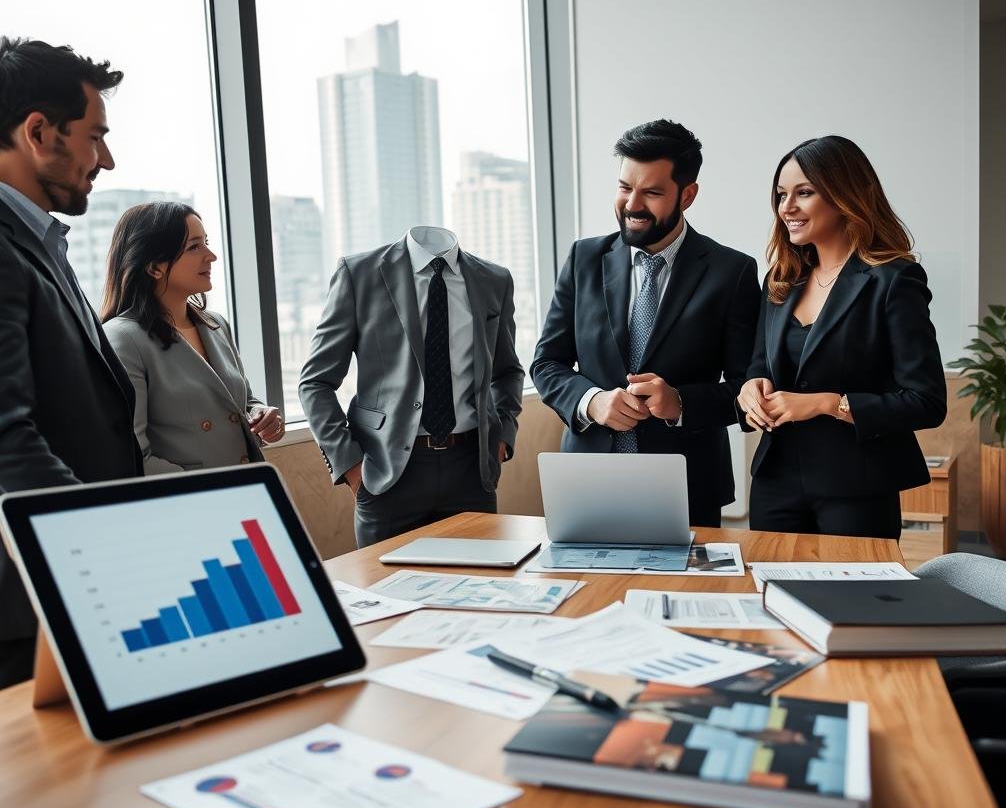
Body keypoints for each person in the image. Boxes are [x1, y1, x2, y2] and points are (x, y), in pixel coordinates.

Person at [531, 118, 761, 528]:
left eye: (652, 192)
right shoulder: (584, 259)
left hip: (689, 485)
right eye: (624, 188)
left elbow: (749, 389)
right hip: (587, 481)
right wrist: (592, 401)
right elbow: (547, 364)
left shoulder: (733, 272)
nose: (632, 204)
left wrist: (680, 404)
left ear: (687, 195)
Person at [0, 37, 143, 687]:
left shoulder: (38, 241)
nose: (105, 159)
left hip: (48, 593)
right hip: (24, 601)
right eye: (94, 136)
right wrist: (103, 561)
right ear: (38, 132)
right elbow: (7, 437)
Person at [737, 135, 946, 539]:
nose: (787, 208)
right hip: (774, 484)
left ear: (844, 195)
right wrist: (750, 390)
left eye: (804, 193)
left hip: (857, 488)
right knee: (771, 598)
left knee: (852, 603)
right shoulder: (780, 282)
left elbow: (927, 401)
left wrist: (827, 404)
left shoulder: (895, 279)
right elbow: (761, 367)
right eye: (781, 195)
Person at [299, 225, 524, 548]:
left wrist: (502, 437)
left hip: (471, 471)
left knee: (478, 591)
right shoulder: (359, 274)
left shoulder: (494, 280)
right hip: (387, 473)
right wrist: (350, 466)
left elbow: (508, 371)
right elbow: (315, 382)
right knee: (384, 592)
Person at [102, 202, 285, 473]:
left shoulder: (216, 325)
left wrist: (261, 417)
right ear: (154, 267)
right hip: (187, 503)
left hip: (245, 489)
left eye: (207, 243)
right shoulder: (124, 339)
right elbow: (132, 454)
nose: (211, 256)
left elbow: (241, 403)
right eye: (194, 247)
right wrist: (201, 493)